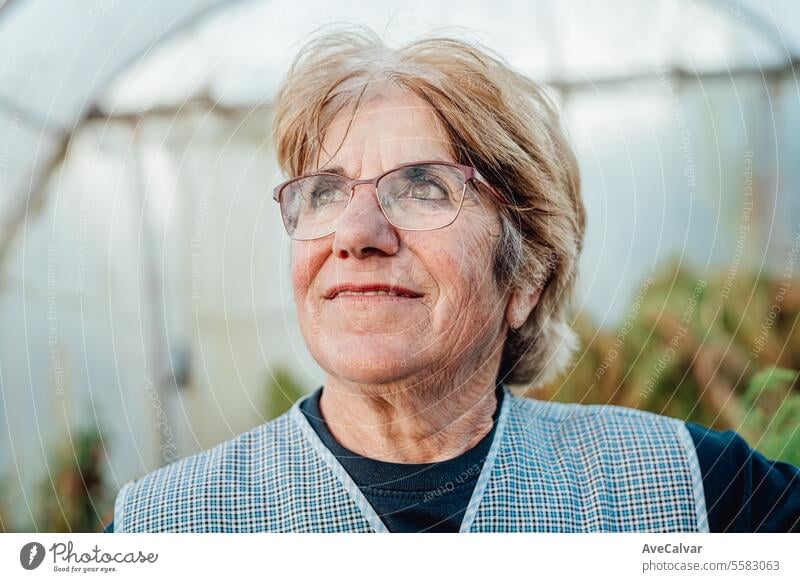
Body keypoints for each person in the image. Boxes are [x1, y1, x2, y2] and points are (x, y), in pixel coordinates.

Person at [109, 26, 800, 533]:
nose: (355, 234)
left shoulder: (696, 492)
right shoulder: (167, 527)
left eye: (422, 187)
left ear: (524, 275)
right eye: (323, 193)